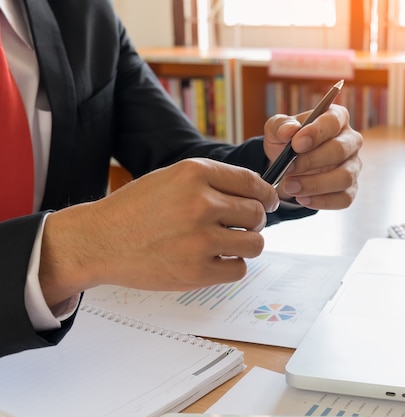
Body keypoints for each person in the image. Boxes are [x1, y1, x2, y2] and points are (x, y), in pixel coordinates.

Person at [0, 0, 362, 358]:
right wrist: (70, 250)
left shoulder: (84, 13)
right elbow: (90, 240)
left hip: (75, 357)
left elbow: (176, 157)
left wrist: (281, 169)